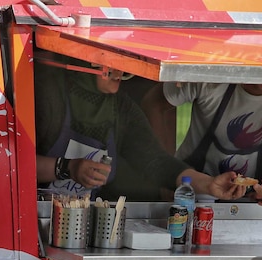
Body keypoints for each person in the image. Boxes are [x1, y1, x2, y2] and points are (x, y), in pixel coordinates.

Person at [34, 57, 246, 202]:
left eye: (123, 62)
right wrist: (67, 167)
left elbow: (155, 162)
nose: (119, 71)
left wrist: (209, 185)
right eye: (109, 63)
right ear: (83, 60)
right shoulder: (48, 95)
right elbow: (12, 162)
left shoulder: (120, 108)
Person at [141, 82, 262, 202]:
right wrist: (165, 177)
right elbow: (154, 102)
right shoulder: (212, 76)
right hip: (187, 197)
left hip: (251, 210)